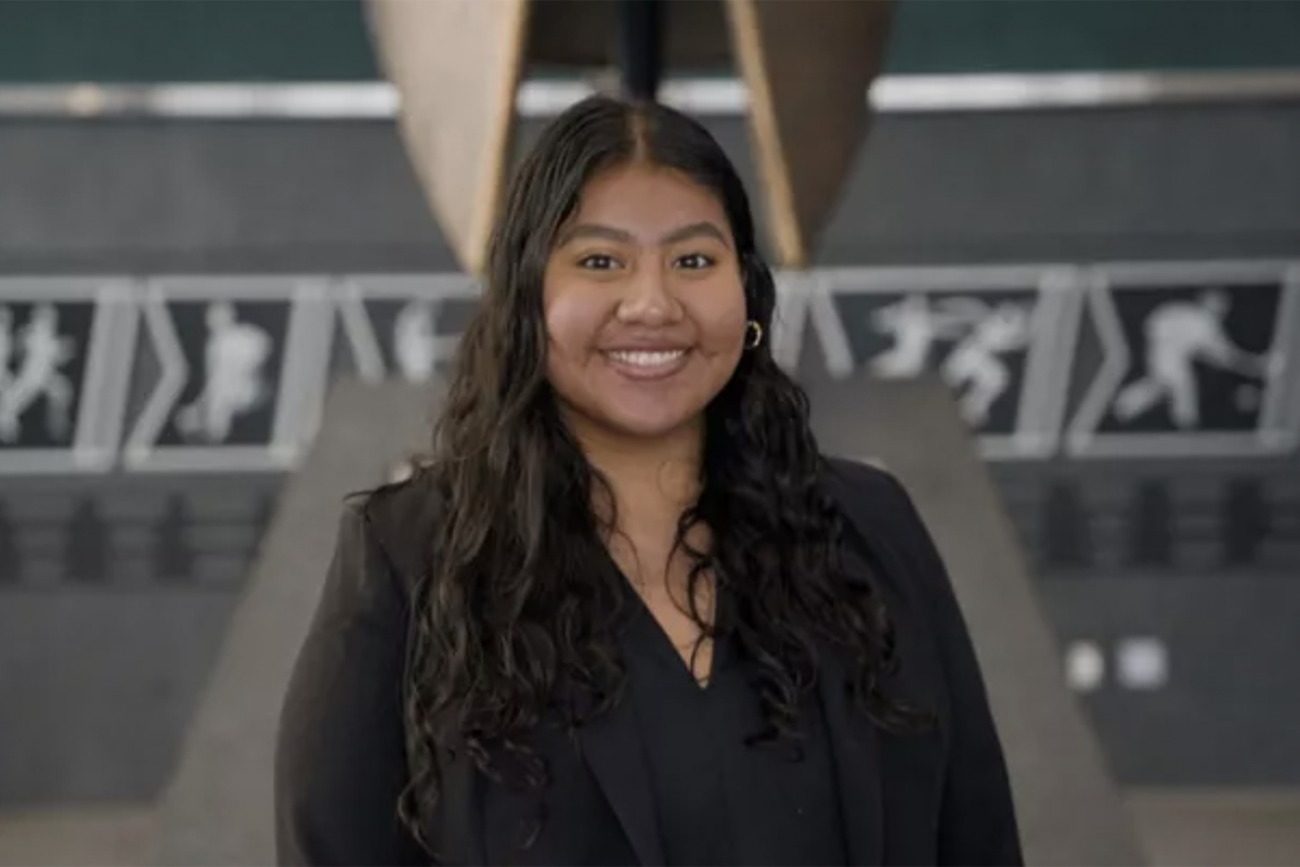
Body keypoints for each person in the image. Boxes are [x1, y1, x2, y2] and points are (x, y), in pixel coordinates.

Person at [275, 94, 1023, 867]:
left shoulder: (869, 529)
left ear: (747, 291)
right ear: (529, 294)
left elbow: (978, 835)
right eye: (601, 261)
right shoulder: (413, 559)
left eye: (694, 261)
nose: (653, 304)